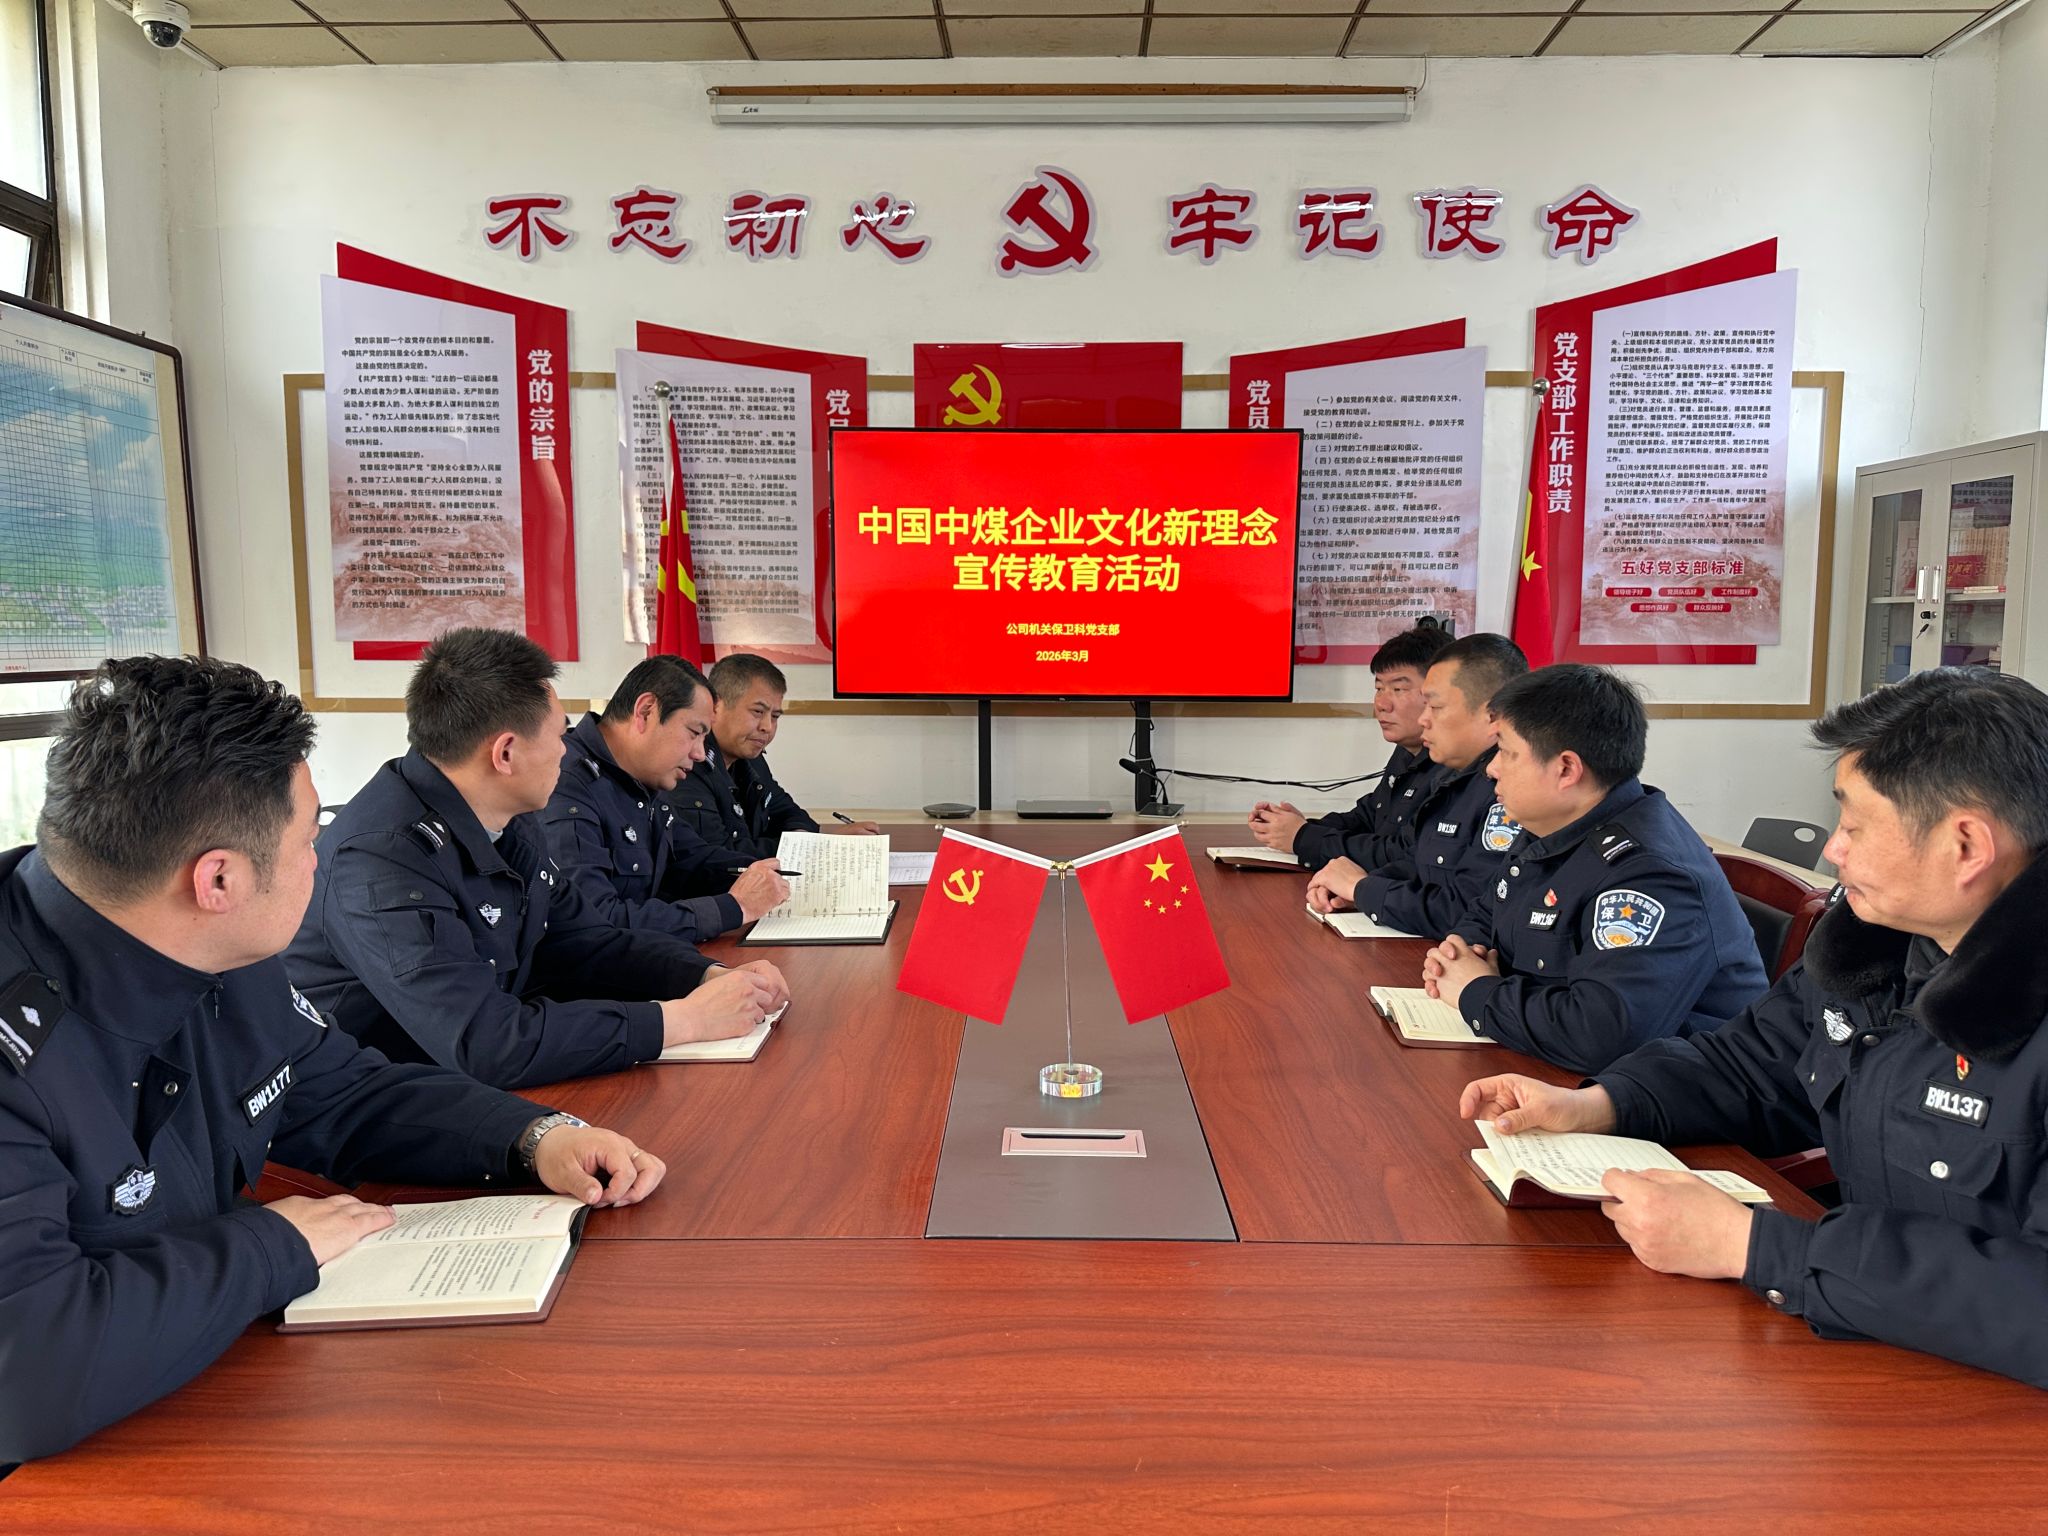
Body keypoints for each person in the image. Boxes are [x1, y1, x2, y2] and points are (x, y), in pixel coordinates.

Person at [0, 656, 667, 1464]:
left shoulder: (221, 950)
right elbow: (28, 1372)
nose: (320, 855)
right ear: (218, 879)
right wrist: (274, 1245)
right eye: (310, 836)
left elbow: (345, 1094)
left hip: (198, 1388)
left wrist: (534, 1138)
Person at [1457, 667, 2048, 1388]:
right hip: (1869, 1356)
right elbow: (1751, 1064)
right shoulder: (1882, 944)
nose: (1834, 851)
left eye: (1855, 826)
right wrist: (1600, 1104)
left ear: (1967, 847)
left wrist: (1753, 1247)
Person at [288, 629, 787, 1090]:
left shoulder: (509, 817)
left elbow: (586, 939)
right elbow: (486, 1043)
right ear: (505, 754)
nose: (567, 751)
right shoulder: (380, 858)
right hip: (378, 1104)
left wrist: (705, 975)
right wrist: (682, 1020)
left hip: (465, 1087)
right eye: (558, 735)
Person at [1421, 663, 1767, 1074]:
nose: (1491, 768)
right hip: (1555, 1068)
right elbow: (1486, 910)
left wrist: (1476, 991)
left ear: (1567, 769)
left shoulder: (1650, 874)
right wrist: (1459, 954)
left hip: (1671, 1096)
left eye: (1507, 752)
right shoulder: (1552, 826)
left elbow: (1600, 1036)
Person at [542, 655, 789, 943]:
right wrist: (735, 907)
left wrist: (775, 875)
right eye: (694, 733)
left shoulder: (643, 779)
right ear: (646, 711)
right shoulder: (566, 783)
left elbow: (695, 859)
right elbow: (595, 922)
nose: (700, 754)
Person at [1305, 633, 1527, 937]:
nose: (1424, 720)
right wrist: (1356, 889)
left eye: (1435, 707)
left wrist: (1362, 888)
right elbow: (1414, 862)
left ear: (1491, 716)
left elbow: (1465, 910)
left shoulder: (1508, 791)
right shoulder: (1450, 778)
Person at [1247, 621, 1453, 868]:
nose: (1382, 704)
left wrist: (1303, 837)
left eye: (1398, 689)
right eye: (1379, 688)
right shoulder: (1407, 750)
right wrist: (1301, 828)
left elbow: (1400, 854)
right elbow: (1368, 817)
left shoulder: (1453, 764)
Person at [663, 653, 877, 890]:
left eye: (775, 716)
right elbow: (722, 857)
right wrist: (816, 848)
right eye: (757, 712)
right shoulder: (688, 765)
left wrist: (804, 843)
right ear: (716, 707)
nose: (767, 727)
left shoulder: (750, 759)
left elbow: (788, 811)